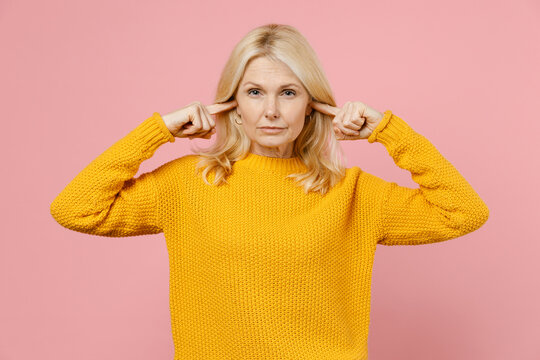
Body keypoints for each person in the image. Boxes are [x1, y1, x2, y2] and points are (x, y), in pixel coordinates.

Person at [50, 23, 489, 359]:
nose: (272, 110)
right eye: (255, 92)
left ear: (313, 105)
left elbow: (463, 213)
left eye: (289, 92)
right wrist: (158, 130)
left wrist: (389, 132)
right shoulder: (189, 182)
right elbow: (77, 209)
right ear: (233, 104)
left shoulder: (351, 192)